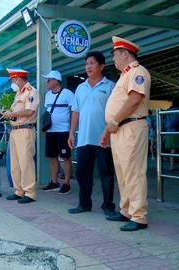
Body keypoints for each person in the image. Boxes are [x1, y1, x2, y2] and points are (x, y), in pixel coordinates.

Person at [99, 36, 151, 231]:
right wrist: (107, 131)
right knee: (122, 171)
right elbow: (117, 107)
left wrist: (114, 121)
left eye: (115, 55)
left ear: (125, 54)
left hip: (131, 126)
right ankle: (127, 210)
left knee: (134, 172)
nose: (113, 59)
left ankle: (139, 216)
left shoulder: (138, 72)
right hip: (119, 128)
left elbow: (135, 99)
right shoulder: (124, 76)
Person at [67, 52, 116, 216]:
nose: (88, 66)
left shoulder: (110, 86)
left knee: (106, 173)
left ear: (101, 66)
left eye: (92, 63)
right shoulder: (81, 88)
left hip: (104, 138)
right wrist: (71, 133)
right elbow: (75, 112)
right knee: (82, 172)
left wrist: (109, 133)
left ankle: (108, 206)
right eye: (86, 63)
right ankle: (84, 204)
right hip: (84, 139)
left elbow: (116, 112)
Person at [1, 68, 39, 204]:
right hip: (15, 130)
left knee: (26, 162)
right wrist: (5, 112)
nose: (12, 82)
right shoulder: (18, 94)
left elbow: (29, 111)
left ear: (18, 79)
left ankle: (30, 193)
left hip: (25, 130)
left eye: (13, 80)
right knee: (15, 163)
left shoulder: (31, 92)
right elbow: (14, 110)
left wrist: (10, 114)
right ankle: (19, 190)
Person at [41, 70, 74, 194]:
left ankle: (66, 183)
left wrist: (71, 129)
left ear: (55, 81)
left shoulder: (67, 93)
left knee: (65, 157)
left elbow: (73, 110)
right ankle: (54, 182)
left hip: (63, 131)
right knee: (52, 157)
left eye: (49, 80)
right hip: (50, 131)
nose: (47, 82)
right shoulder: (48, 95)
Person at [164, 97, 179, 171]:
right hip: (177, 131)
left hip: (169, 132)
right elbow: (175, 121)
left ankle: (172, 166)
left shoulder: (168, 111)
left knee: (173, 149)